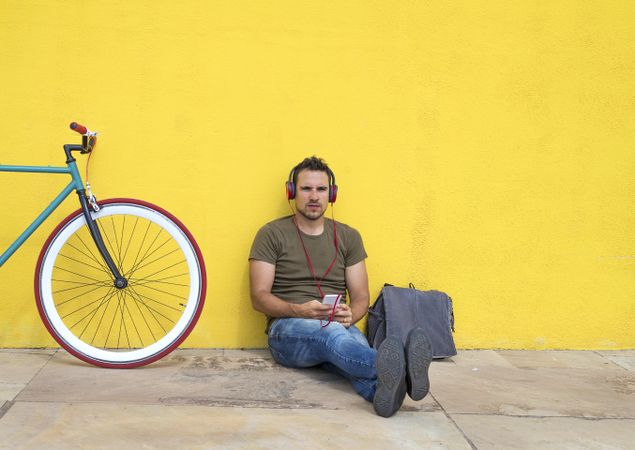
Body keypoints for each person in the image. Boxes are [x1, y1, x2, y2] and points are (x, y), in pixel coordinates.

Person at [248, 156, 433, 417]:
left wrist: (351, 315)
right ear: (292, 192)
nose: (314, 196)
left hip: (339, 325)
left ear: (331, 194)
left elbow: (360, 296)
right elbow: (258, 297)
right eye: (306, 188)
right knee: (333, 337)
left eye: (321, 189)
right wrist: (300, 310)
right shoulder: (271, 234)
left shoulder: (348, 237)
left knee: (346, 351)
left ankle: (384, 394)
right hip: (286, 330)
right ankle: (400, 367)